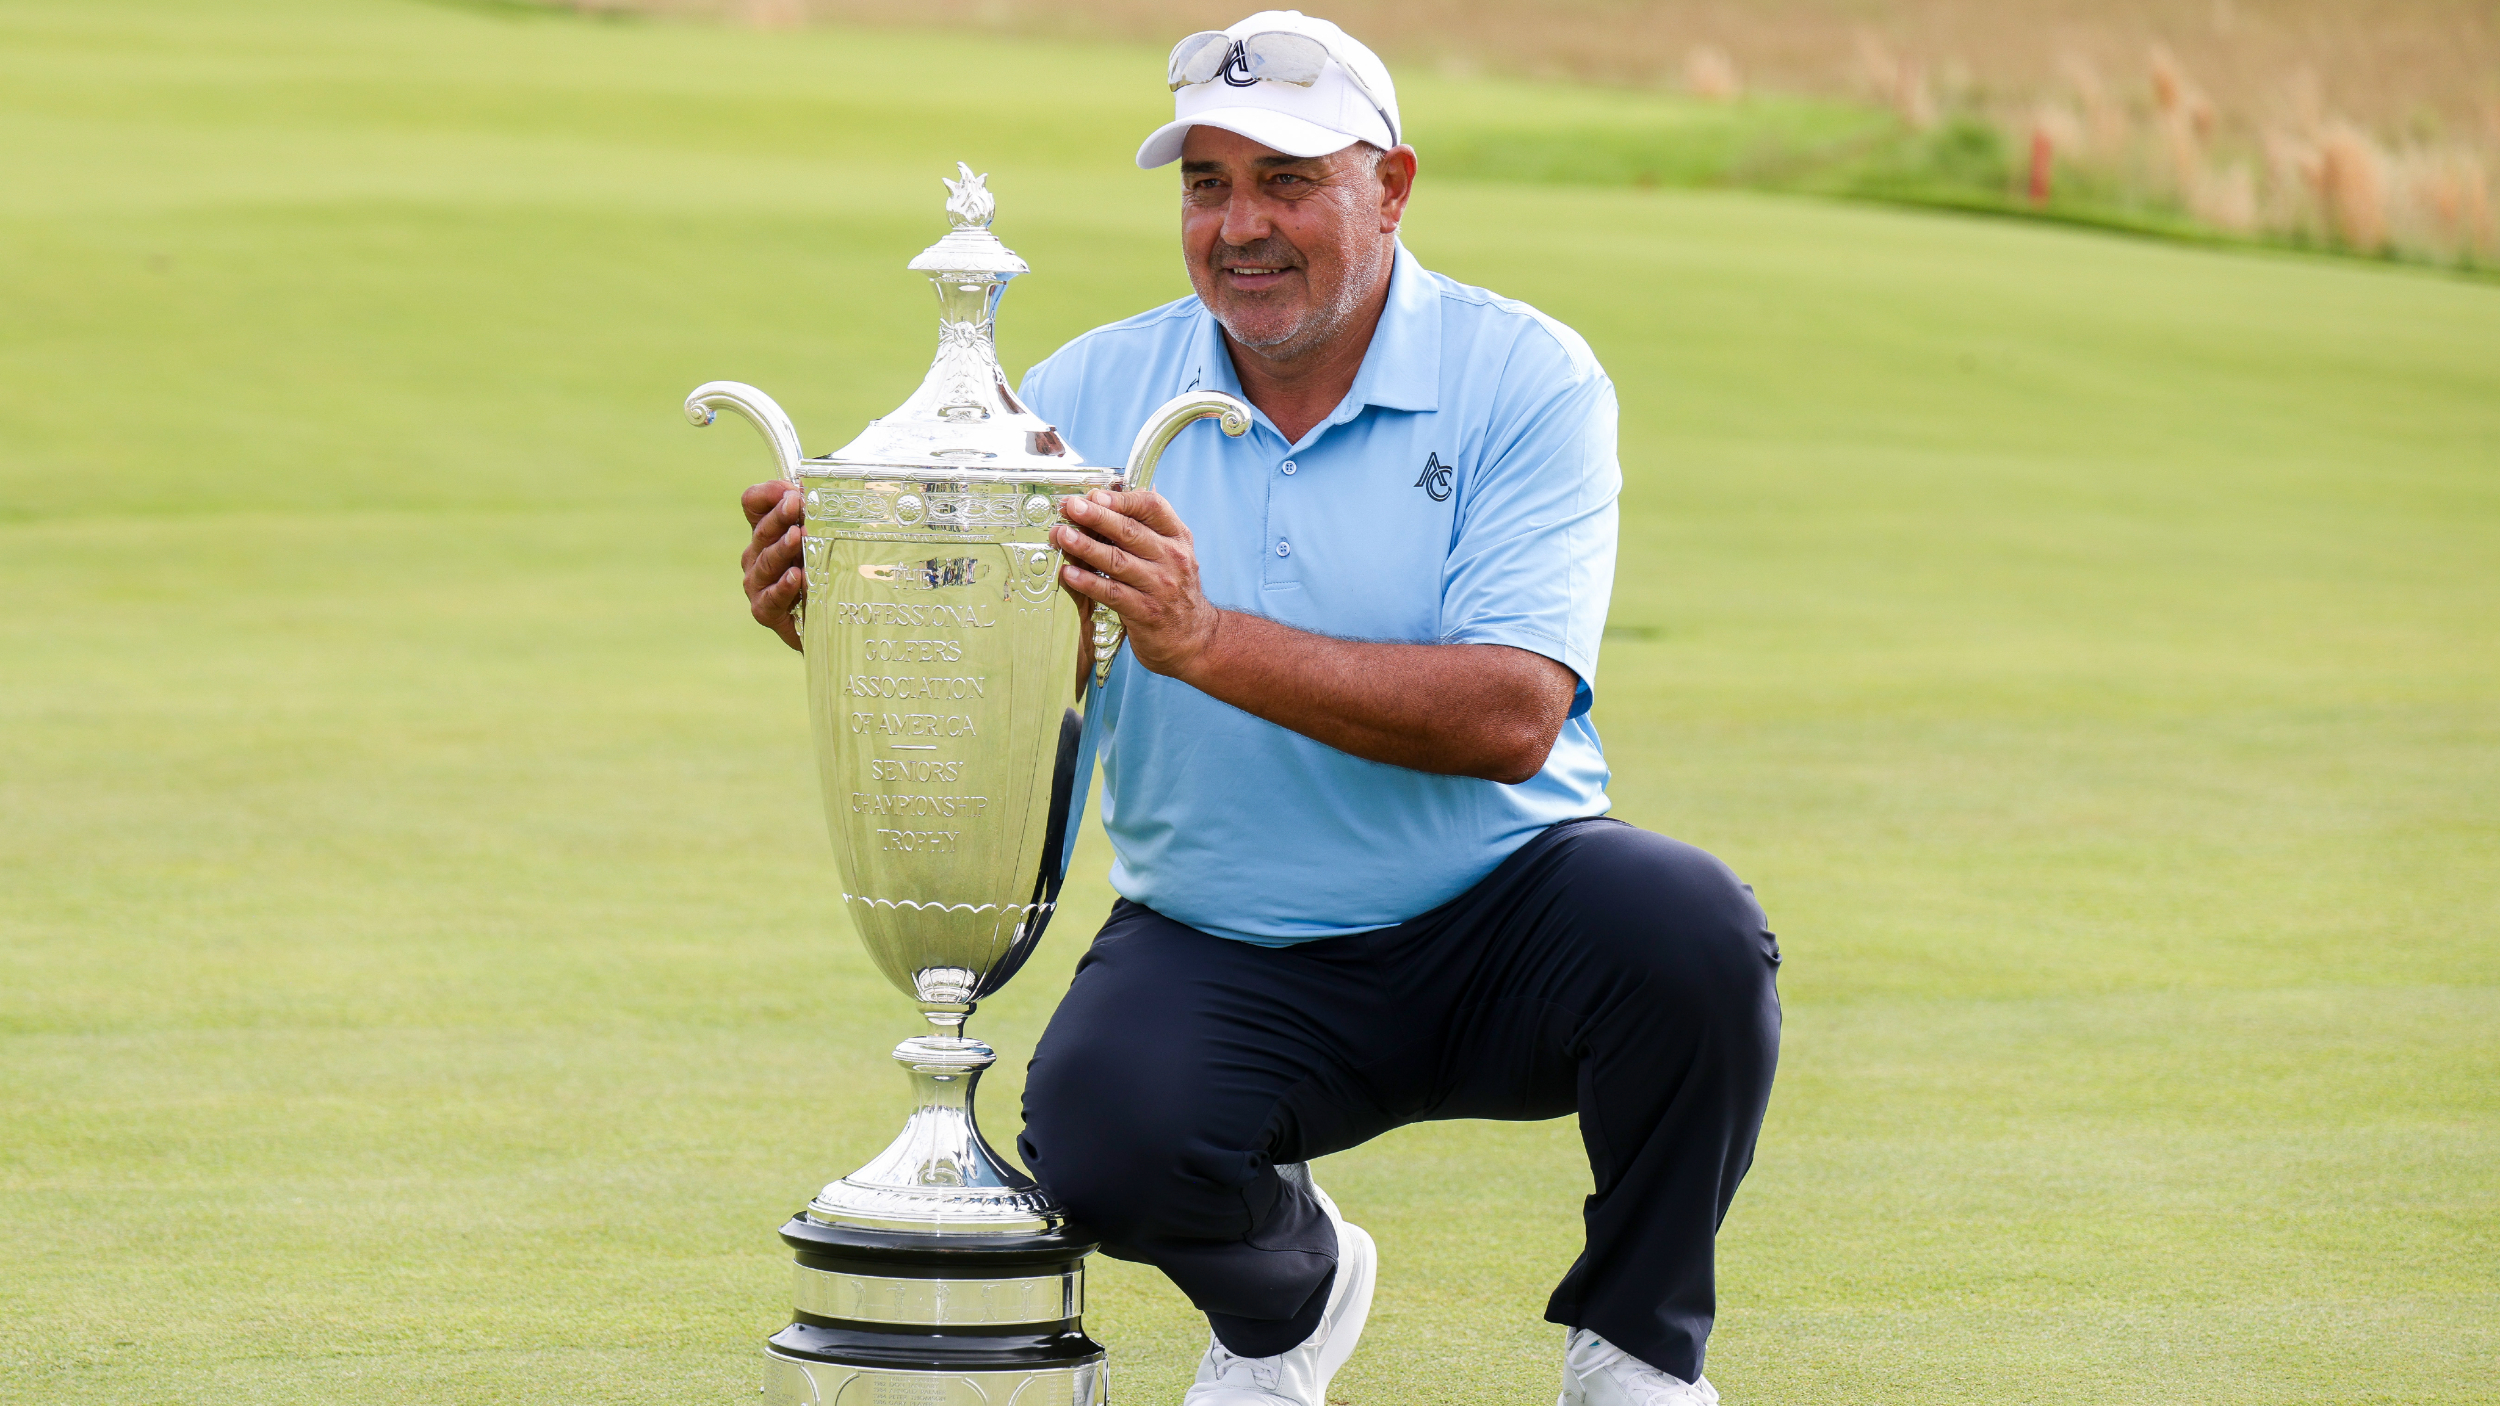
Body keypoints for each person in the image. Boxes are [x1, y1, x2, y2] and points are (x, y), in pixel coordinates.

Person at [738, 12, 1781, 1405]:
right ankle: (1289, 1300)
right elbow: (1021, 677)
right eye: (1207, 184)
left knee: (1691, 936)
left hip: (1504, 919)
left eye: (1287, 181)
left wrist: (1208, 639)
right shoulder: (1086, 395)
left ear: (1390, 188)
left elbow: (1512, 714)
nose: (1241, 227)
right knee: (1100, 1137)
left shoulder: (1523, 375)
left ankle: (1637, 1355)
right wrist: (856, 617)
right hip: (1223, 938)